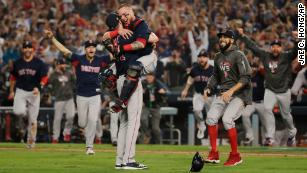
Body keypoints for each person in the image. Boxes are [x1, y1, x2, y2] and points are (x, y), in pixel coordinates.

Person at [102, 7, 159, 170]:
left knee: (125, 123)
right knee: (133, 122)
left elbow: (149, 39)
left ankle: (120, 161)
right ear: (118, 20)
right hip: (130, 79)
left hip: (124, 78)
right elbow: (150, 39)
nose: (124, 18)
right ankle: (129, 160)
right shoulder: (123, 33)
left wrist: (117, 34)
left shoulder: (124, 32)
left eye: (126, 15)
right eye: (120, 17)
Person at [45, 30, 110, 155]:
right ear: (85, 49)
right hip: (81, 95)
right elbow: (64, 50)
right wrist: (53, 38)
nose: (91, 49)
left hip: (95, 94)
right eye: (89, 47)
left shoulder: (101, 60)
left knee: (93, 119)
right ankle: (83, 130)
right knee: (82, 122)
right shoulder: (78, 59)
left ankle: (89, 147)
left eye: (93, 47)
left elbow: (116, 55)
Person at [237, 28, 298, 146]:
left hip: (284, 91)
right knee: (267, 110)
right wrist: (242, 36)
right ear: (270, 47)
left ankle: (292, 132)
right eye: (273, 46)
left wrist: (297, 39)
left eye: (278, 46)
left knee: (286, 116)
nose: (275, 48)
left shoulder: (286, 56)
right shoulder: (265, 55)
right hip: (270, 89)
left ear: (281, 48)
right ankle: (270, 137)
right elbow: (253, 47)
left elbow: (298, 51)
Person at [203, 29, 252, 166]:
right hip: (223, 93)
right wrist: (208, 87)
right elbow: (215, 76)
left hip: (239, 94)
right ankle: (214, 153)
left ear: (232, 40)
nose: (222, 39)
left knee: (227, 119)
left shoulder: (239, 55)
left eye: (225, 37)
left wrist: (231, 91)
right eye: (221, 37)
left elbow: (246, 77)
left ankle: (235, 155)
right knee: (211, 118)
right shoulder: (218, 56)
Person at [9, 41, 49, 148]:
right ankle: (26, 115)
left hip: (34, 92)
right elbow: (13, 78)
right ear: (22, 50)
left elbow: (45, 77)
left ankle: (31, 141)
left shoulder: (39, 63)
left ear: (33, 49)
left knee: (33, 121)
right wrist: (11, 91)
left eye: (29, 47)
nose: (27, 49)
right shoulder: (17, 63)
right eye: (25, 47)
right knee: (18, 111)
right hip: (21, 91)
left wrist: (39, 87)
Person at [181, 49, 214, 139]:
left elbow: (218, 83)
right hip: (199, 94)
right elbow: (190, 79)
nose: (201, 59)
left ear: (207, 58)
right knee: (196, 110)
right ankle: (201, 125)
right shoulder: (195, 69)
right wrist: (185, 90)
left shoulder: (213, 70)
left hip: (210, 96)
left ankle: (212, 139)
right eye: (200, 57)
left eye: (204, 57)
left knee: (211, 117)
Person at [48, 58, 75, 143]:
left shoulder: (69, 73)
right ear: (57, 65)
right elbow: (49, 84)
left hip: (69, 98)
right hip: (59, 99)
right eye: (61, 64)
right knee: (57, 119)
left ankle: (67, 132)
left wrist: (74, 74)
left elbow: (74, 82)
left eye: (64, 64)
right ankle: (55, 137)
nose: (63, 66)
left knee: (71, 116)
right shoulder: (53, 74)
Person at [241, 61, 267, 145]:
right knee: (244, 115)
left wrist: (261, 68)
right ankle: (249, 135)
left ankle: (267, 138)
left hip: (261, 102)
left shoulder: (261, 75)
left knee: (266, 121)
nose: (253, 69)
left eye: (254, 67)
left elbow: (268, 74)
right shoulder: (246, 77)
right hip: (250, 102)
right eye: (251, 67)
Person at [139, 72, 166, 144]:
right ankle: (147, 135)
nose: (149, 78)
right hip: (146, 106)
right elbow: (138, 92)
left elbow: (164, 91)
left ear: (153, 77)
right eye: (147, 77)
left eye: (150, 77)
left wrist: (163, 92)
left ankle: (159, 143)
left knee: (155, 128)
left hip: (155, 106)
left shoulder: (157, 83)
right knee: (142, 119)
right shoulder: (143, 83)